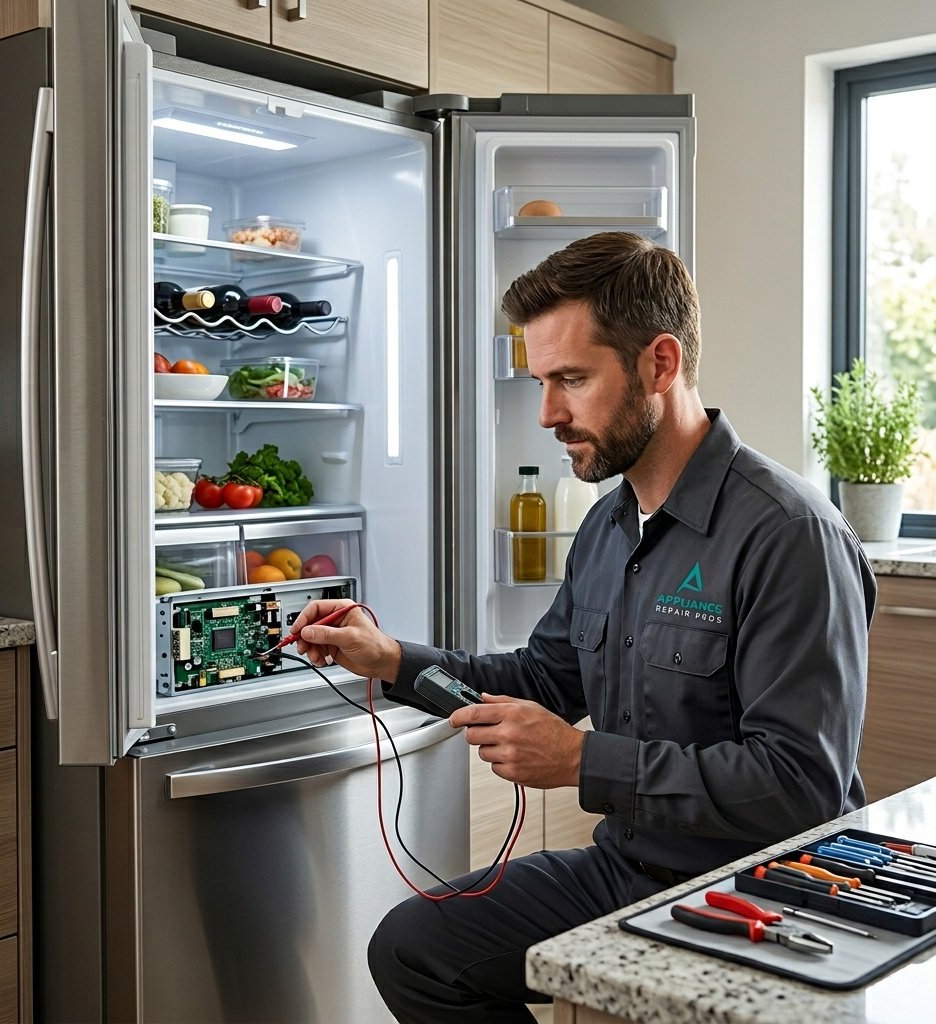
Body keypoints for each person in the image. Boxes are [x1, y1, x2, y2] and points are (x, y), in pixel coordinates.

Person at [290, 231, 877, 1023]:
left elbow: (799, 786)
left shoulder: (789, 534)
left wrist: (583, 760)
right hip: (630, 870)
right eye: (541, 381)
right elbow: (542, 681)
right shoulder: (608, 527)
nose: (546, 413)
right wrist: (389, 658)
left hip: (765, 885)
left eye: (571, 379)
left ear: (659, 365)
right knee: (415, 949)